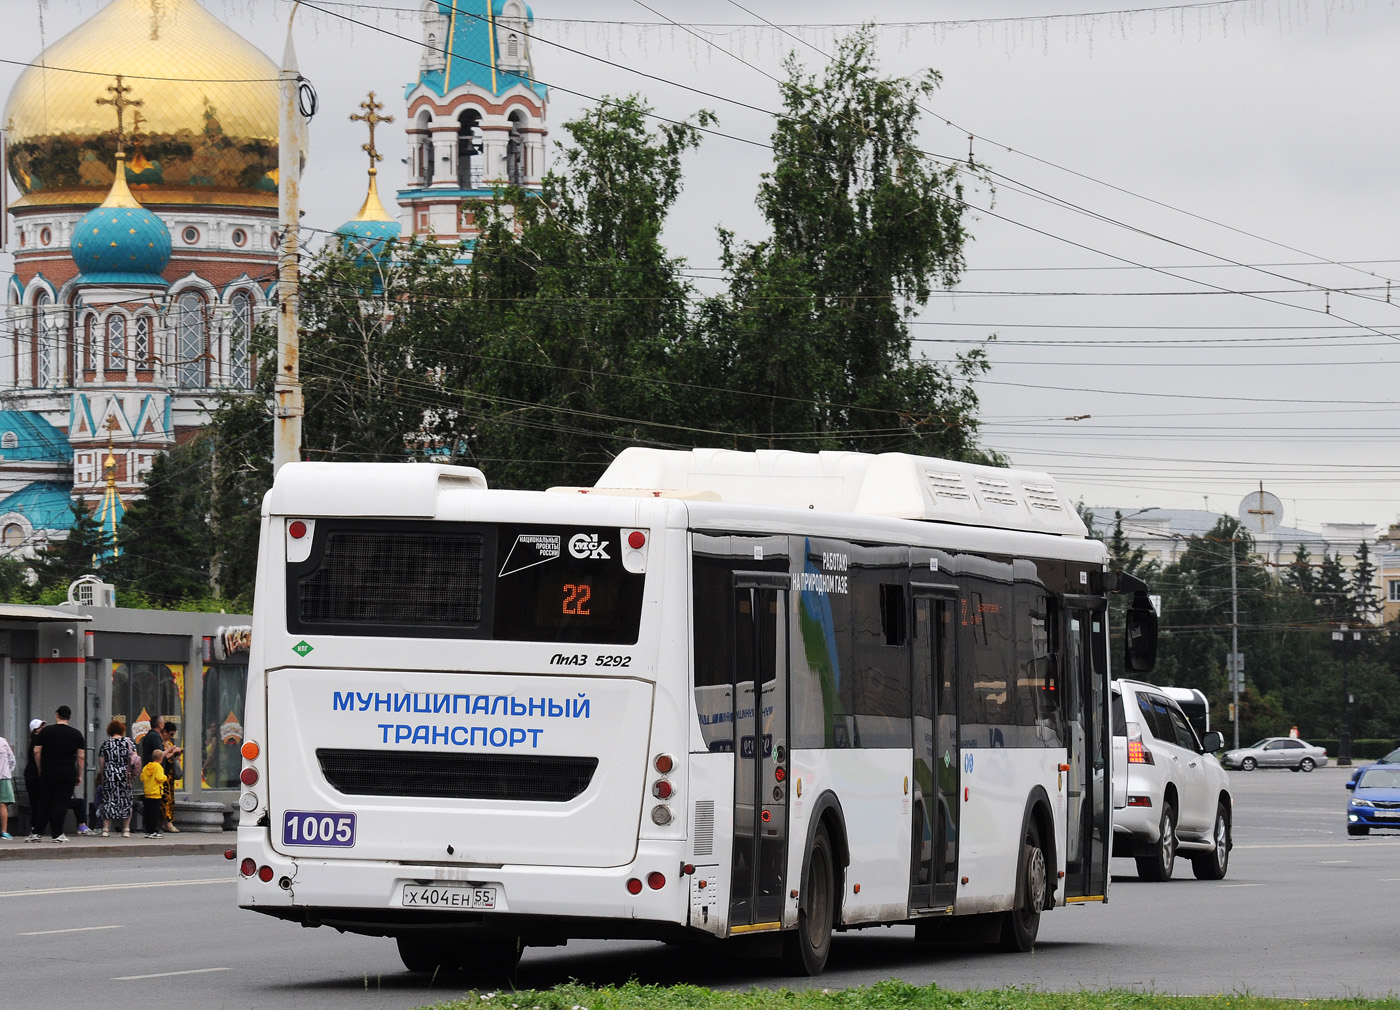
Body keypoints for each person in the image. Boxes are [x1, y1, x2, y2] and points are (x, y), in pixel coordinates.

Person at [34, 706, 86, 842]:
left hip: (48, 771)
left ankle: (37, 832)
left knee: (44, 801)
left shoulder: (45, 732)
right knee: (61, 802)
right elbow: (81, 757)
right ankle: (57, 834)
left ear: (57, 715)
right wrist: (79, 774)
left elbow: (36, 751)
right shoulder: (76, 734)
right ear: (69, 717)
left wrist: (40, 768)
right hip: (67, 772)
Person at [96, 720, 137, 837]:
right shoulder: (129, 742)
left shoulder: (106, 744)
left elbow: (101, 761)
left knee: (108, 800)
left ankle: (105, 829)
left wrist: (104, 773)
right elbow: (134, 758)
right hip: (125, 775)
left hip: (110, 775)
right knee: (126, 800)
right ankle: (126, 830)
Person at [158, 721, 184, 833]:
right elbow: (161, 757)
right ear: (164, 732)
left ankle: (167, 822)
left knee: (170, 799)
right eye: (171, 734)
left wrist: (177, 754)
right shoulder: (160, 743)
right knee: (165, 799)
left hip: (170, 775)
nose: (171, 737)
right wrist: (172, 752)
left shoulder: (168, 743)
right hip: (163, 775)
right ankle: (167, 822)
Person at [23, 719, 45, 841]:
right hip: (34, 775)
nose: (43, 729)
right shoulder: (37, 741)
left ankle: (35, 826)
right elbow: (37, 755)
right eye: (41, 727)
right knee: (37, 801)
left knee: (36, 801)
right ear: (35, 730)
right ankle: (35, 827)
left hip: (31, 775)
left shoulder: (35, 740)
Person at [139, 751, 167, 839]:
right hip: (156, 793)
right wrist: (165, 777)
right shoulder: (158, 767)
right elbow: (160, 778)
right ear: (161, 758)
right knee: (154, 813)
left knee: (147, 813)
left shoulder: (147, 767)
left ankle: (148, 830)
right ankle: (153, 831)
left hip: (147, 792)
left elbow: (142, 777)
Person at [0, 732, 15, 839]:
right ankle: (4, 831)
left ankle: (4, 831)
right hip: (3, 776)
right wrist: (8, 770)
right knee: (3, 804)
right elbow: (12, 759)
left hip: (4, 775)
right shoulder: (2, 741)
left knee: (2, 804)